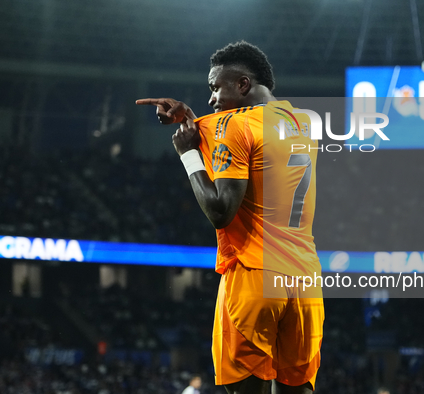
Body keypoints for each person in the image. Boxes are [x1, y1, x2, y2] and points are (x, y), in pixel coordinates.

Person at [136, 41, 324, 394]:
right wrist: (192, 118)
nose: (211, 98)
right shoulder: (302, 122)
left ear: (241, 85)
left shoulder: (235, 127)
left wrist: (188, 155)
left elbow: (221, 211)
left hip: (254, 274)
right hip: (305, 282)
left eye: (214, 87)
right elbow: (233, 128)